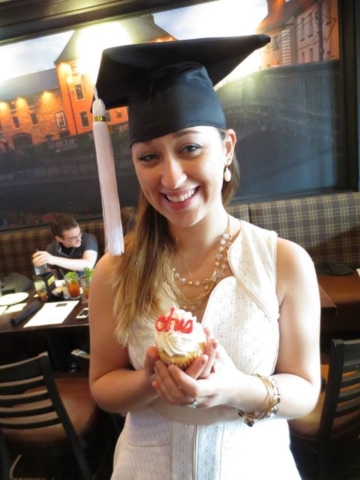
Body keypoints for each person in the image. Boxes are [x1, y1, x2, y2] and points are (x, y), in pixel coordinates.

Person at [89, 36, 321, 479]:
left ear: (227, 148)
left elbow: (306, 389)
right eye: (149, 157)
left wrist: (235, 389)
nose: (171, 176)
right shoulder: (115, 272)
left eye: (190, 148)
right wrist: (150, 380)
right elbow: (102, 386)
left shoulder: (286, 263)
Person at [32, 213, 98, 279]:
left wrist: (54, 259)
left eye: (79, 233)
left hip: (92, 284)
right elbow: (54, 279)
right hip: (68, 286)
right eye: (73, 238)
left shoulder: (89, 239)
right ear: (59, 239)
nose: (79, 239)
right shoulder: (52, 248)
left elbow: (88, 264)